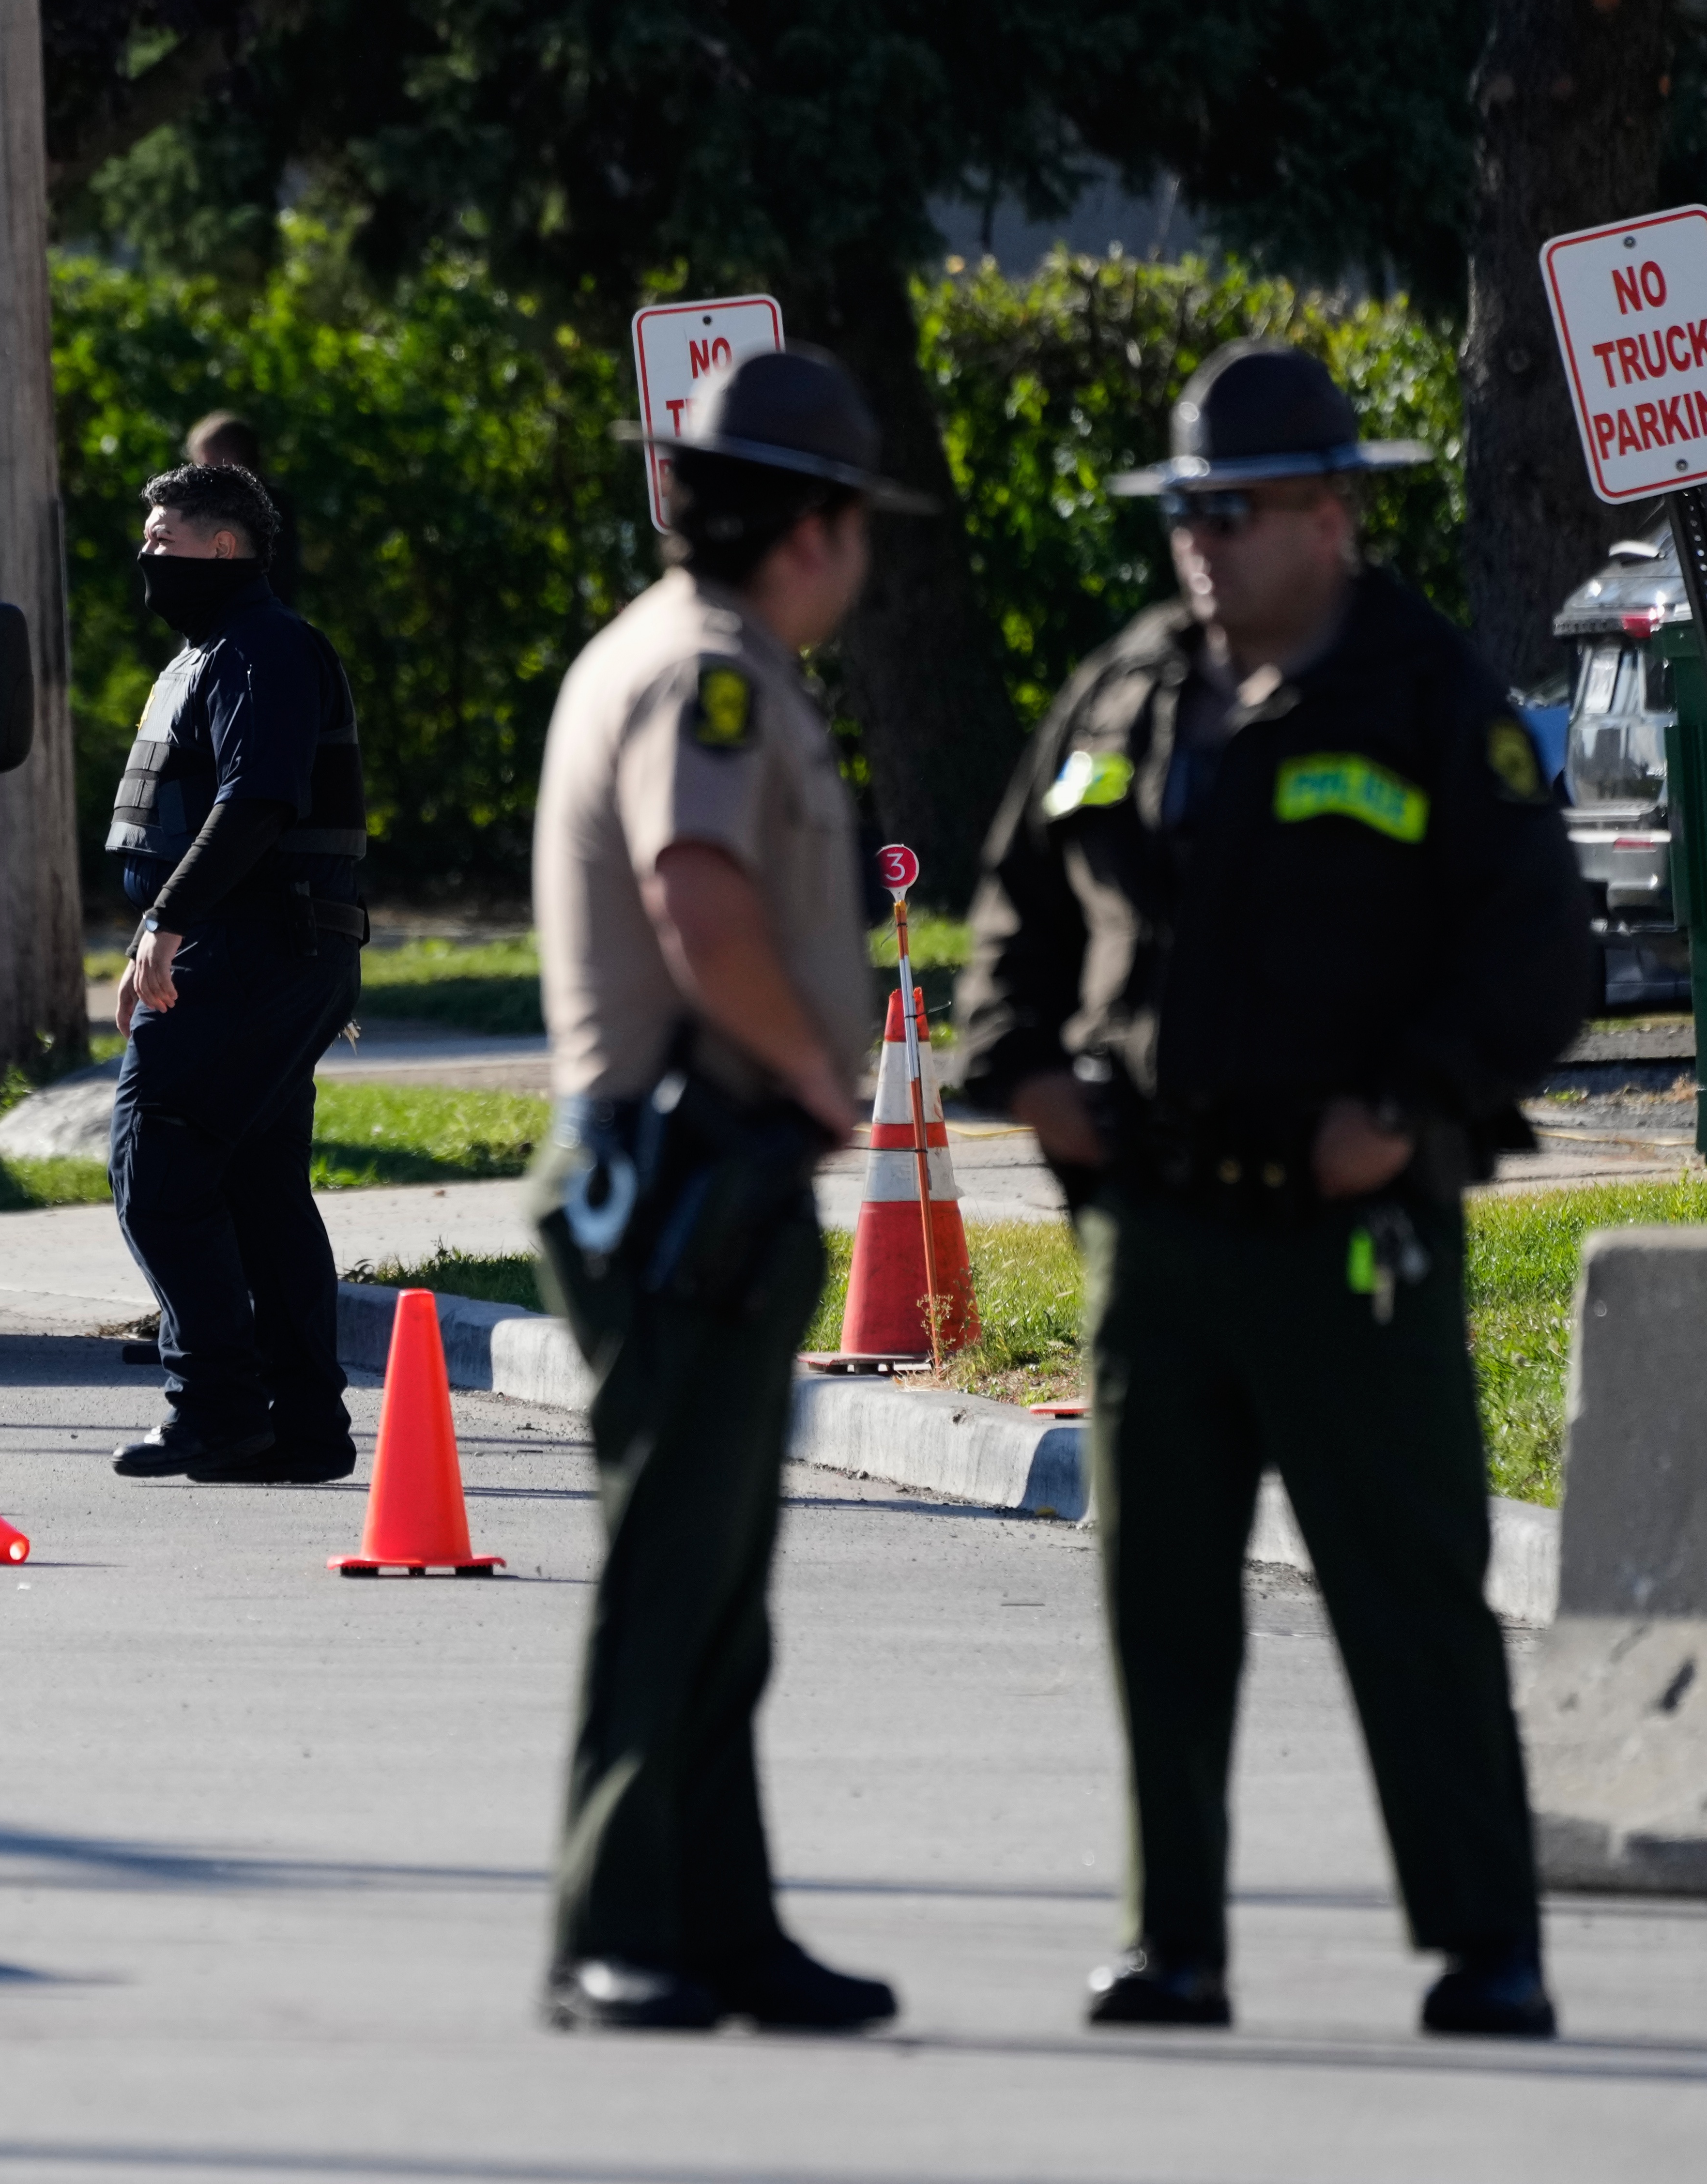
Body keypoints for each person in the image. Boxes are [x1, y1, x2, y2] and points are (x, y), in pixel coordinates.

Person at [955, 341, 1588, 2038]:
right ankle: (1176, 1945)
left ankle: (1486, 1947)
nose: (1199, 547)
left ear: (1330, 513)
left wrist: (1408, 1105)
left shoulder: (1426, 697)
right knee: (1157, 1597)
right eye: (1183, 516)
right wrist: (1021, 1070)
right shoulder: (1131, 689)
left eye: (1230, 515)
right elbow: (1014, 902)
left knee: (1407, 1591)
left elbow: (1539, 958)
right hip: (1154, 1232)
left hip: (1346, 1231)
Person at [528, 348, 919, 2033]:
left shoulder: (681, 653)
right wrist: (828, 1079)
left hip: (687, 1169)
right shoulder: (715, 678)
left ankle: (723, 1923)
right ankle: (616, 1923)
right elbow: (699, 897)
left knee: (717, 1590)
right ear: (815, 529)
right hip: (686, 1164)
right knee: (675, 1580)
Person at [104, 462, 370, 1485]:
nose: (148, 558)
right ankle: (301, 1429)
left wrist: (164, 925)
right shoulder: (215, 652)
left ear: (225, 549)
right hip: (269, 949)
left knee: (158, 1169)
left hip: (252, 950)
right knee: (259, 1194)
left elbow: (256, 804)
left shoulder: (263, 649)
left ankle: (214, 1405)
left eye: (163, 540)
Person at [183, 412, 302, 607]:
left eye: (204, 463)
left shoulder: (243, 508)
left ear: (229, 459)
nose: (199, 474)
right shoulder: (275, 503)